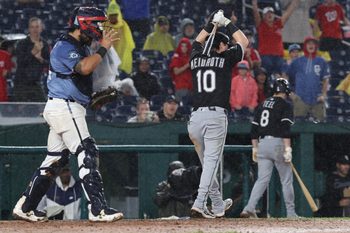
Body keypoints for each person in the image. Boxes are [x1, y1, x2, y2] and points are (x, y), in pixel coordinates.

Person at [12, 6, 123, 222]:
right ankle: (97, 209)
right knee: (87, 150)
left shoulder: (78, 46)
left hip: (65, 107)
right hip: (65, 108)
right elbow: (84, 68)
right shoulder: (65, 45)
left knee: (55, 160)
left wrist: (92, 99)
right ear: (84, 23)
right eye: (96, 24)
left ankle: (25, 206)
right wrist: (104, 48)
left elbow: (78, 79)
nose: (99, 28)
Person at [188, 10, 249, 218]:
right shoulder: (225, 59)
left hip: (194, 119)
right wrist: (226, 23)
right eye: (225, 45)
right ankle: (198, 203)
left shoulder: (195, 58)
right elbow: (244, 42)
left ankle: (217, 205)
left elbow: (197, 41)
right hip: (215, 116)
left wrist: (210, 24)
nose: (228, 47)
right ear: (220, 47)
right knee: (212, 163)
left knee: (207, 165)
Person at [240, 78, 298, 218]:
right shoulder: (285, 104)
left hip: (262, 144)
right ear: (286, 91)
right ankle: (290, 213)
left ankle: (249, 207)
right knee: (286, 180)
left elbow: (253, 130)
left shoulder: (263, 104)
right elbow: (285, 129)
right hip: (278, 143)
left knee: (262, 179)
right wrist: (288, 149)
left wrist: (255, 148)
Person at [287, 37, 330, 121]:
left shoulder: (322, 61)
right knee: (298, 125)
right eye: (309, 43)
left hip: (317, 98)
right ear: (305, 46)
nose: (311, 45)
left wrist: (324, 95)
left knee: (320, 124)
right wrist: (290, 93)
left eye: (313, 44)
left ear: (316, 46)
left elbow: (326, 80)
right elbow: (286, 76)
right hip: (300, 98)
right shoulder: (297, 61)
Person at [252, 0, 300, 76]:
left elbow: (287, 14)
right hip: (265, 56)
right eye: (267, 13)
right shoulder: (261, 25)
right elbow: (256, 14)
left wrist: (294, 3)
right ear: (263, 16)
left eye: (271, 13)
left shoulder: (278, 24)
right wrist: (254, 4)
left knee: (281, 76)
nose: (269, 15)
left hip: (279, 56)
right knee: (266, 75)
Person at [13, 17, 50, 102]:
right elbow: (20, 62)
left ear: (41, 28)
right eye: (32, 27)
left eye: (37, 27)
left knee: (42, 107)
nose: (34, 29)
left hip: (36, 82)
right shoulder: (22, 43)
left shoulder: (44, 44)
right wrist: (33, 52)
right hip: (21, 83)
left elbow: (49, 64)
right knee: (20, 111)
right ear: (29, 29)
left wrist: (40, 59)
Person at [104, 0, 135, 75]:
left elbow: (129, 41)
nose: (113, 17)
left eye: (115, 14)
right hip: (108, 56)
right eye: (111, 15)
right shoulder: (104, 25)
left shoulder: (123, 25)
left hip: (122, 55)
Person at [169, 37, 193, 102]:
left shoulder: (190, 57)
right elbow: (176, 72)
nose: (184, 48)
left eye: (186, 46)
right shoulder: (176, 57)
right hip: (181, 87)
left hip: (191, 87)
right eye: (182, 46)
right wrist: (187, 65)